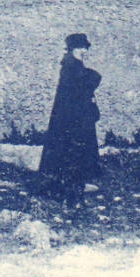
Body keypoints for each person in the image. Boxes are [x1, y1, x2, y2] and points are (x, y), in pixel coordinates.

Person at [38, 33, 102, 198]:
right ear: (73, 48)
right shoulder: (71, 66)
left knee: (75, 147)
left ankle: (74, 181)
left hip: (74, 115)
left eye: (84, 48)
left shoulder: (73, 65)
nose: (84, 51)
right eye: (81, 48)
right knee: (73, 147)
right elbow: (82, 85)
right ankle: (72, 183)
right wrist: (92, 78)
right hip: (72, 117)